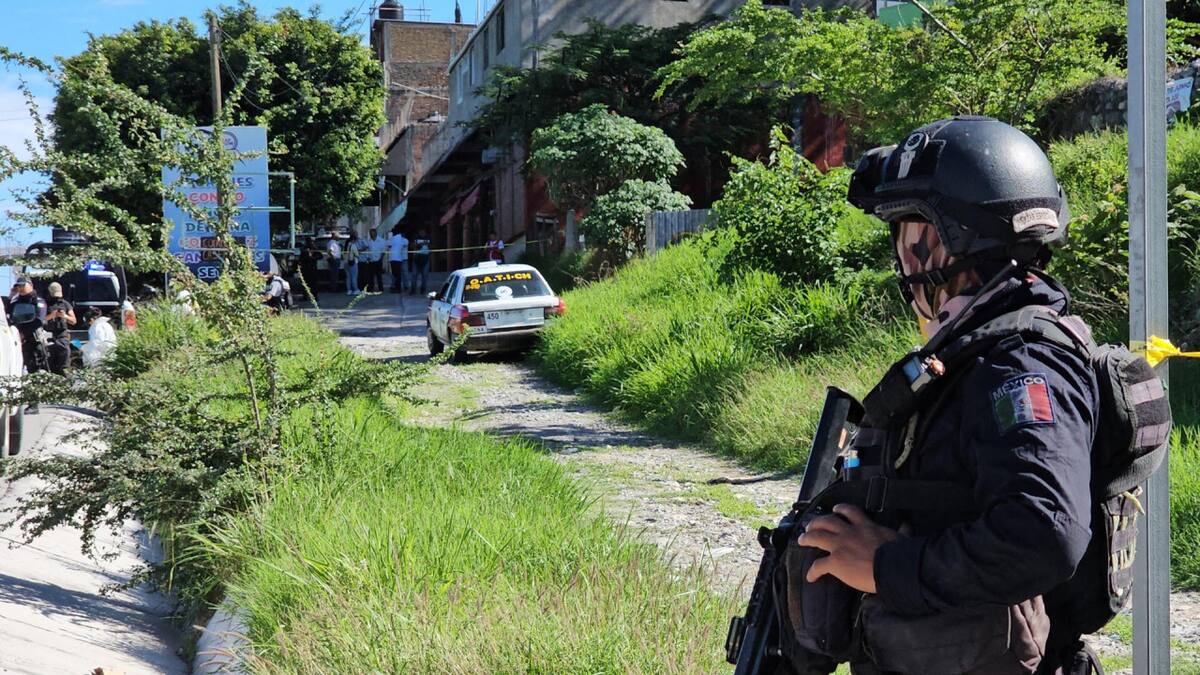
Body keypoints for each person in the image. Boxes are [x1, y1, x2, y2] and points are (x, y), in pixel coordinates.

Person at [789, 117, 1109, 675]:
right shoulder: (979, 351)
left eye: (913, 239)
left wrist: (887, 567)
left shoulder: (1021, 362)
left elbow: (1044, 531)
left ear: (956, 243)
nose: (905, 264)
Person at [44, 282, 76, 376]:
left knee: (64, 365)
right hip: (48, 338)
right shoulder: (45, 304)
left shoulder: (66, 304)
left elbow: (73, 321)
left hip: (62, 337)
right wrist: (52, 315)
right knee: (49, 366)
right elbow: (41, 319)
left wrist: (64, 316)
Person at [365, 227, 388, 294]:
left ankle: (381, 289)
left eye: (372, 233)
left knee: (379, 276)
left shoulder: (381, 241)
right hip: (371, 261)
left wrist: (380, 259)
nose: (371, 234)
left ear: (375, 233)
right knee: (370, 276)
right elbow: (368, 250)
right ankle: (371, 288)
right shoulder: (369, 241)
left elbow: (383, 251)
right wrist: (368, 258)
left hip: (378, 261)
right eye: (370, 233)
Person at [409, 228, 431, 295]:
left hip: (425, 259)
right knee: (414, 276)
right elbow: (411, 246)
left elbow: (433, 246)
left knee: (424, 276)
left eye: (423, 231)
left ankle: (423, 290)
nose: (422, 233)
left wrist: (427, 244)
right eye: (421, 231)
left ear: (425, 232)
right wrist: (419, 245)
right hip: (416, 259)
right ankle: (413, 290)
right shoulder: (415, 237)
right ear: (419, 232)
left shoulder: (429, 238)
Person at [388, 226, 409, 293]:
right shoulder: (396, 239)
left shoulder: (404, 240)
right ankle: (394, 286)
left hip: (403, 259)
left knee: (404, 273)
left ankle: (405, 286)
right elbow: (389, 245)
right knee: (395, 274)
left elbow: (389, 244)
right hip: (398, 259)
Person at [343, 231, 362, 296]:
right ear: (353, 240)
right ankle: (355, 289)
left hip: (346, 263)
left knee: (348, 277)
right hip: (353, 263)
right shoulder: (353, 245)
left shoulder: (345, 246)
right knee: (354, 277)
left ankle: (349, 290)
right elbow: (357, 255)